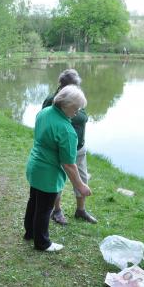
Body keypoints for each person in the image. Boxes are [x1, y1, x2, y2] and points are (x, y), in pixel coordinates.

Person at [23, 85, 92, 252]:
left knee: (34, 201)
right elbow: (68, 164)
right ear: (65, 104)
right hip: (48, 174)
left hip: (34, 166)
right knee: (45, 209)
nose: (77, 113)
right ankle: (42, 243)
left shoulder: (44, 112)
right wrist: (81, 186)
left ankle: (29, 233)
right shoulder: (67, 130)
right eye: (75, 108)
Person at [42, 69, 97, 225]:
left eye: (77, 86)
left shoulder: (77, 97)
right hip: (61, 149)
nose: (77, 88)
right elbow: (47, 122)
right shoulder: (53, 100)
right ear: (63, 85)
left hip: (79, 147)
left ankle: (81, 210)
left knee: (83, 177)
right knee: (59, 180)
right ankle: (56, 211)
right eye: (73, 86)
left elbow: (81, 117)